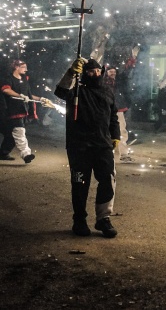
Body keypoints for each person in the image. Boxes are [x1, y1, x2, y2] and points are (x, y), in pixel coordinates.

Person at [54, 58, 120, 238]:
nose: (95, 74)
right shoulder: (77, 91)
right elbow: (60, 91)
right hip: (79, 146)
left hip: (103, 145)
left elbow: (113, 116)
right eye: (91, 72)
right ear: (84, 74)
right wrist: (70, 73)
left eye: (98, 71)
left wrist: (116, 136)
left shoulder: (108, 91)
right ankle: (80, 220)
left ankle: (103, 219)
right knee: (80, 184)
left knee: (107, 181)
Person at [0, 59, 51, 163]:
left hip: (23, 110)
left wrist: (41, 99)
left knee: (11, 135)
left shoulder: (24, 79)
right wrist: (19, 96)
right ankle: (26, 154)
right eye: (23, 67)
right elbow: (6, 90)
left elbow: (29, 95)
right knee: (20, 131)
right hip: (11, 110)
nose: (26, 69)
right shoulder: (8, 78)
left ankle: (3, 153)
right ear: (16, 67)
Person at [104, 67, 133, 163]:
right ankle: (106, 153)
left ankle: (124, 154)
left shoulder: (119, 82)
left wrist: (132, 61)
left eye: (114, 72)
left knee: (121, 131)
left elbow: (126, 73)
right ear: (106, 72)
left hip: (118, 109)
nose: (113, 73)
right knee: (105, 131)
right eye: (110, 71)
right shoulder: (103, 82)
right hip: (105, 109)